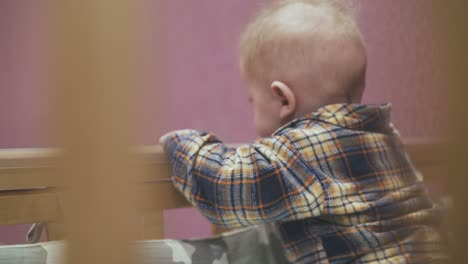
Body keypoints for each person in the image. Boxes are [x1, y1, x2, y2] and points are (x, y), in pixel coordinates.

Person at [160, 0, 446, 262]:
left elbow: (221, 186)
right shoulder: (386, 137)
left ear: (283, 100)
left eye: (253, 102)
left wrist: (181, 143)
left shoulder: (299, 153)